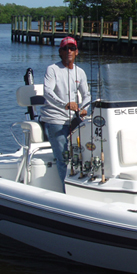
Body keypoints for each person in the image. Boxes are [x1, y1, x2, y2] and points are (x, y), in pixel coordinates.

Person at [41, 35, 91, 186]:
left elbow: (87, 94)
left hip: (74, 119)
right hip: (55, 118)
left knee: (84, 154)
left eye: (72, 48)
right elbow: (47, 91)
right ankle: (66, 192)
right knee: (64, 157)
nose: (69, 51)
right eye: (65, 48)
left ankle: (83, 187)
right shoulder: (52, 69)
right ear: (60, 52)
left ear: (77, 52)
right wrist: (65, 104)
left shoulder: (80, 72)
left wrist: (84, 108)